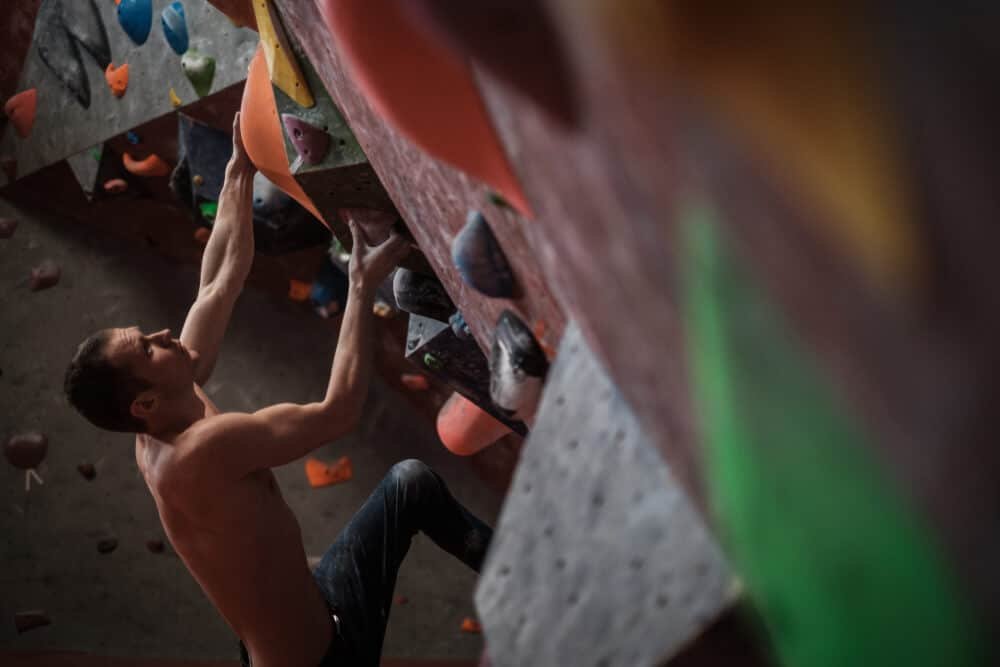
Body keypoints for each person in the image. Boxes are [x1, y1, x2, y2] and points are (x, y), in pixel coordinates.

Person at [63, 113, 493, 667]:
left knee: (412, 486)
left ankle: (511, 566)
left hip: (309, 613)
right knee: (410, 484)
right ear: (142, 401)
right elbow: (338, 412)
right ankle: (530, 582)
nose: (163, 335)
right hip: (320, 658)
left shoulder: (158, 412)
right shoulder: (197, 453)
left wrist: (237, 174)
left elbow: (220, 280)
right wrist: (360, 287)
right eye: (147, 347)